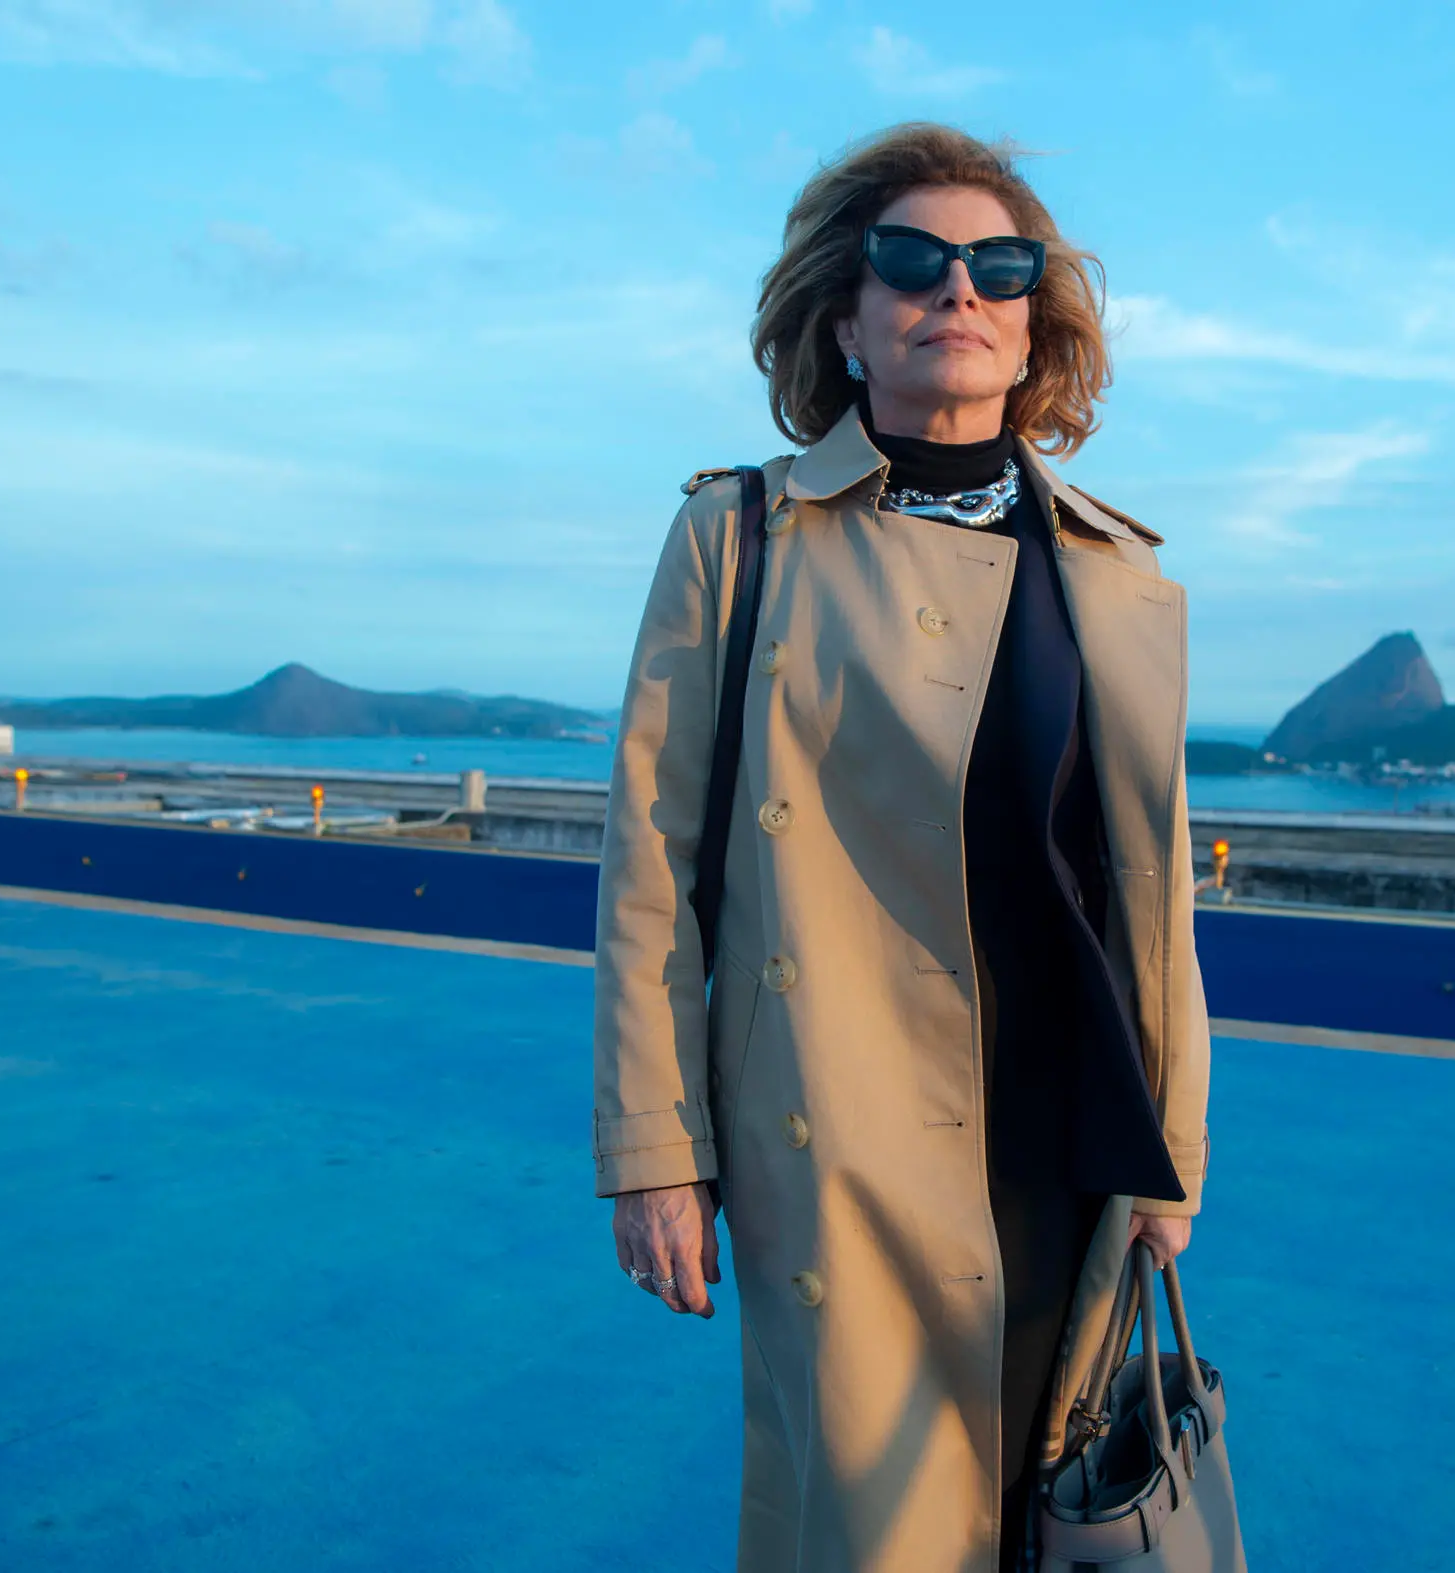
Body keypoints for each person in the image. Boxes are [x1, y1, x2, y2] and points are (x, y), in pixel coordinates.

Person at [592, 121, 1213, 1573]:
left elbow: (1152, 893)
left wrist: (1173, 1147)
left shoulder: (1115, 571)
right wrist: (654, 1150)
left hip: (1066, 1124)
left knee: (1044, 1515)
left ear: (1035, 325)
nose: (959, 290)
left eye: (999, 267)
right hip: (839, 1115)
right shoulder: (741, 535)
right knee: (873, 1525)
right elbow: (651, 862)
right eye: (912, 260)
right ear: (845, 321)